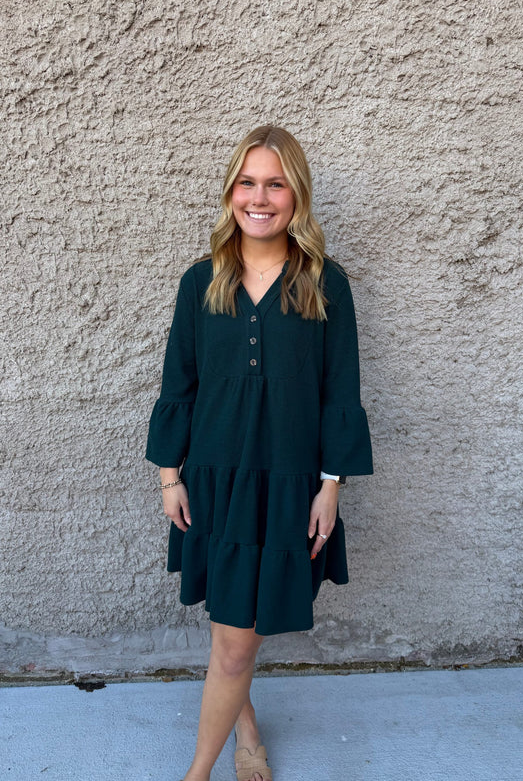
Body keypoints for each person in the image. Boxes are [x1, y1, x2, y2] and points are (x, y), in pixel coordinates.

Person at [146, 125, 373, 781]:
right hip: (212, 480)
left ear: (295, 195)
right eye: (247, 182)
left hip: (287, 483)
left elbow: (340, 390)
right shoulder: (201, 282)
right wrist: (169, 477)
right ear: (230, 192)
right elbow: (177, 383)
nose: (260, 196)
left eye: (275, 183)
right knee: (230, 635)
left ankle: (213, 757)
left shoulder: (325, 283)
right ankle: (227, 750)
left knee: (235, 638)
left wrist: (330, 484)